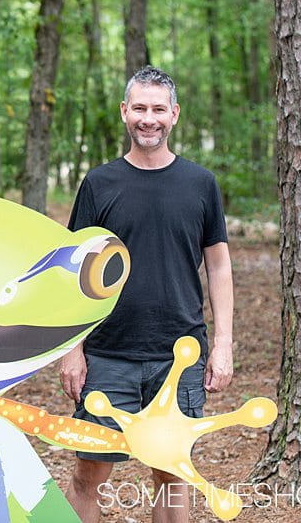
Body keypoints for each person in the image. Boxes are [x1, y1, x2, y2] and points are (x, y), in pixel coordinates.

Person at [59, 66, 234, 523]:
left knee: (171, 475)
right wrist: (72, 350)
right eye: (140, 108)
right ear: (124, 112)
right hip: (108, 354)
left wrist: (223, 345)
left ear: (174, 115)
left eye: (158, 109)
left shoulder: (201, 184)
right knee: (89, 475)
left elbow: (218, 265)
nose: (148, 118)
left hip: (180, 354)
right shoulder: (100, 184)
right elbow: (75, 271)